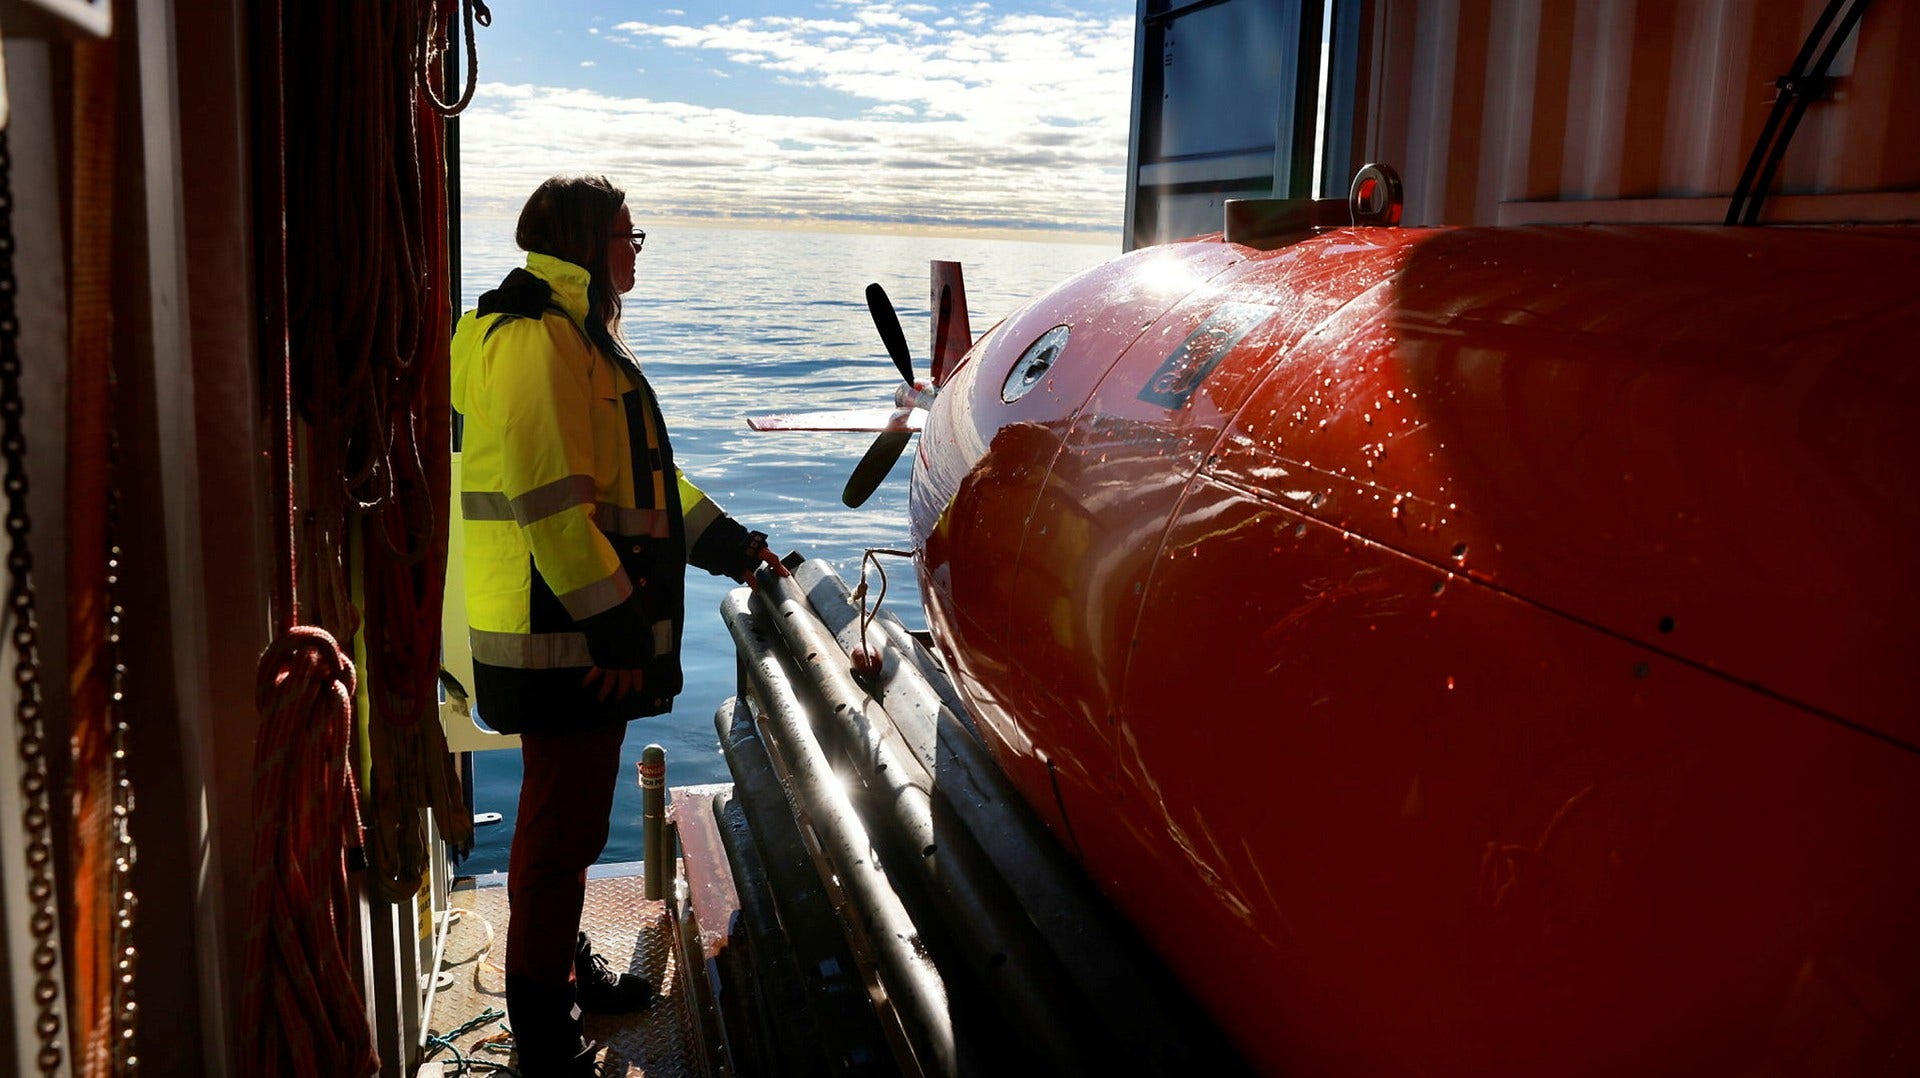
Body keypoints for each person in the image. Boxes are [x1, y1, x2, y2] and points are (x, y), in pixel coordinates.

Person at [449, 173, 787, 1076]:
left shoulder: (577, 341)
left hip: (577, 632)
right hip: (561, 636)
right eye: (628, 235)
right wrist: (617, 636)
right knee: (559, 836)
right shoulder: (534, 341)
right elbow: (553, 511)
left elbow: (643, 492)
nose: (636, 251)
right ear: (587, 241)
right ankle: (545, 1031)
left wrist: (730, 544)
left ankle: (562, 971)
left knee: (572, 826)